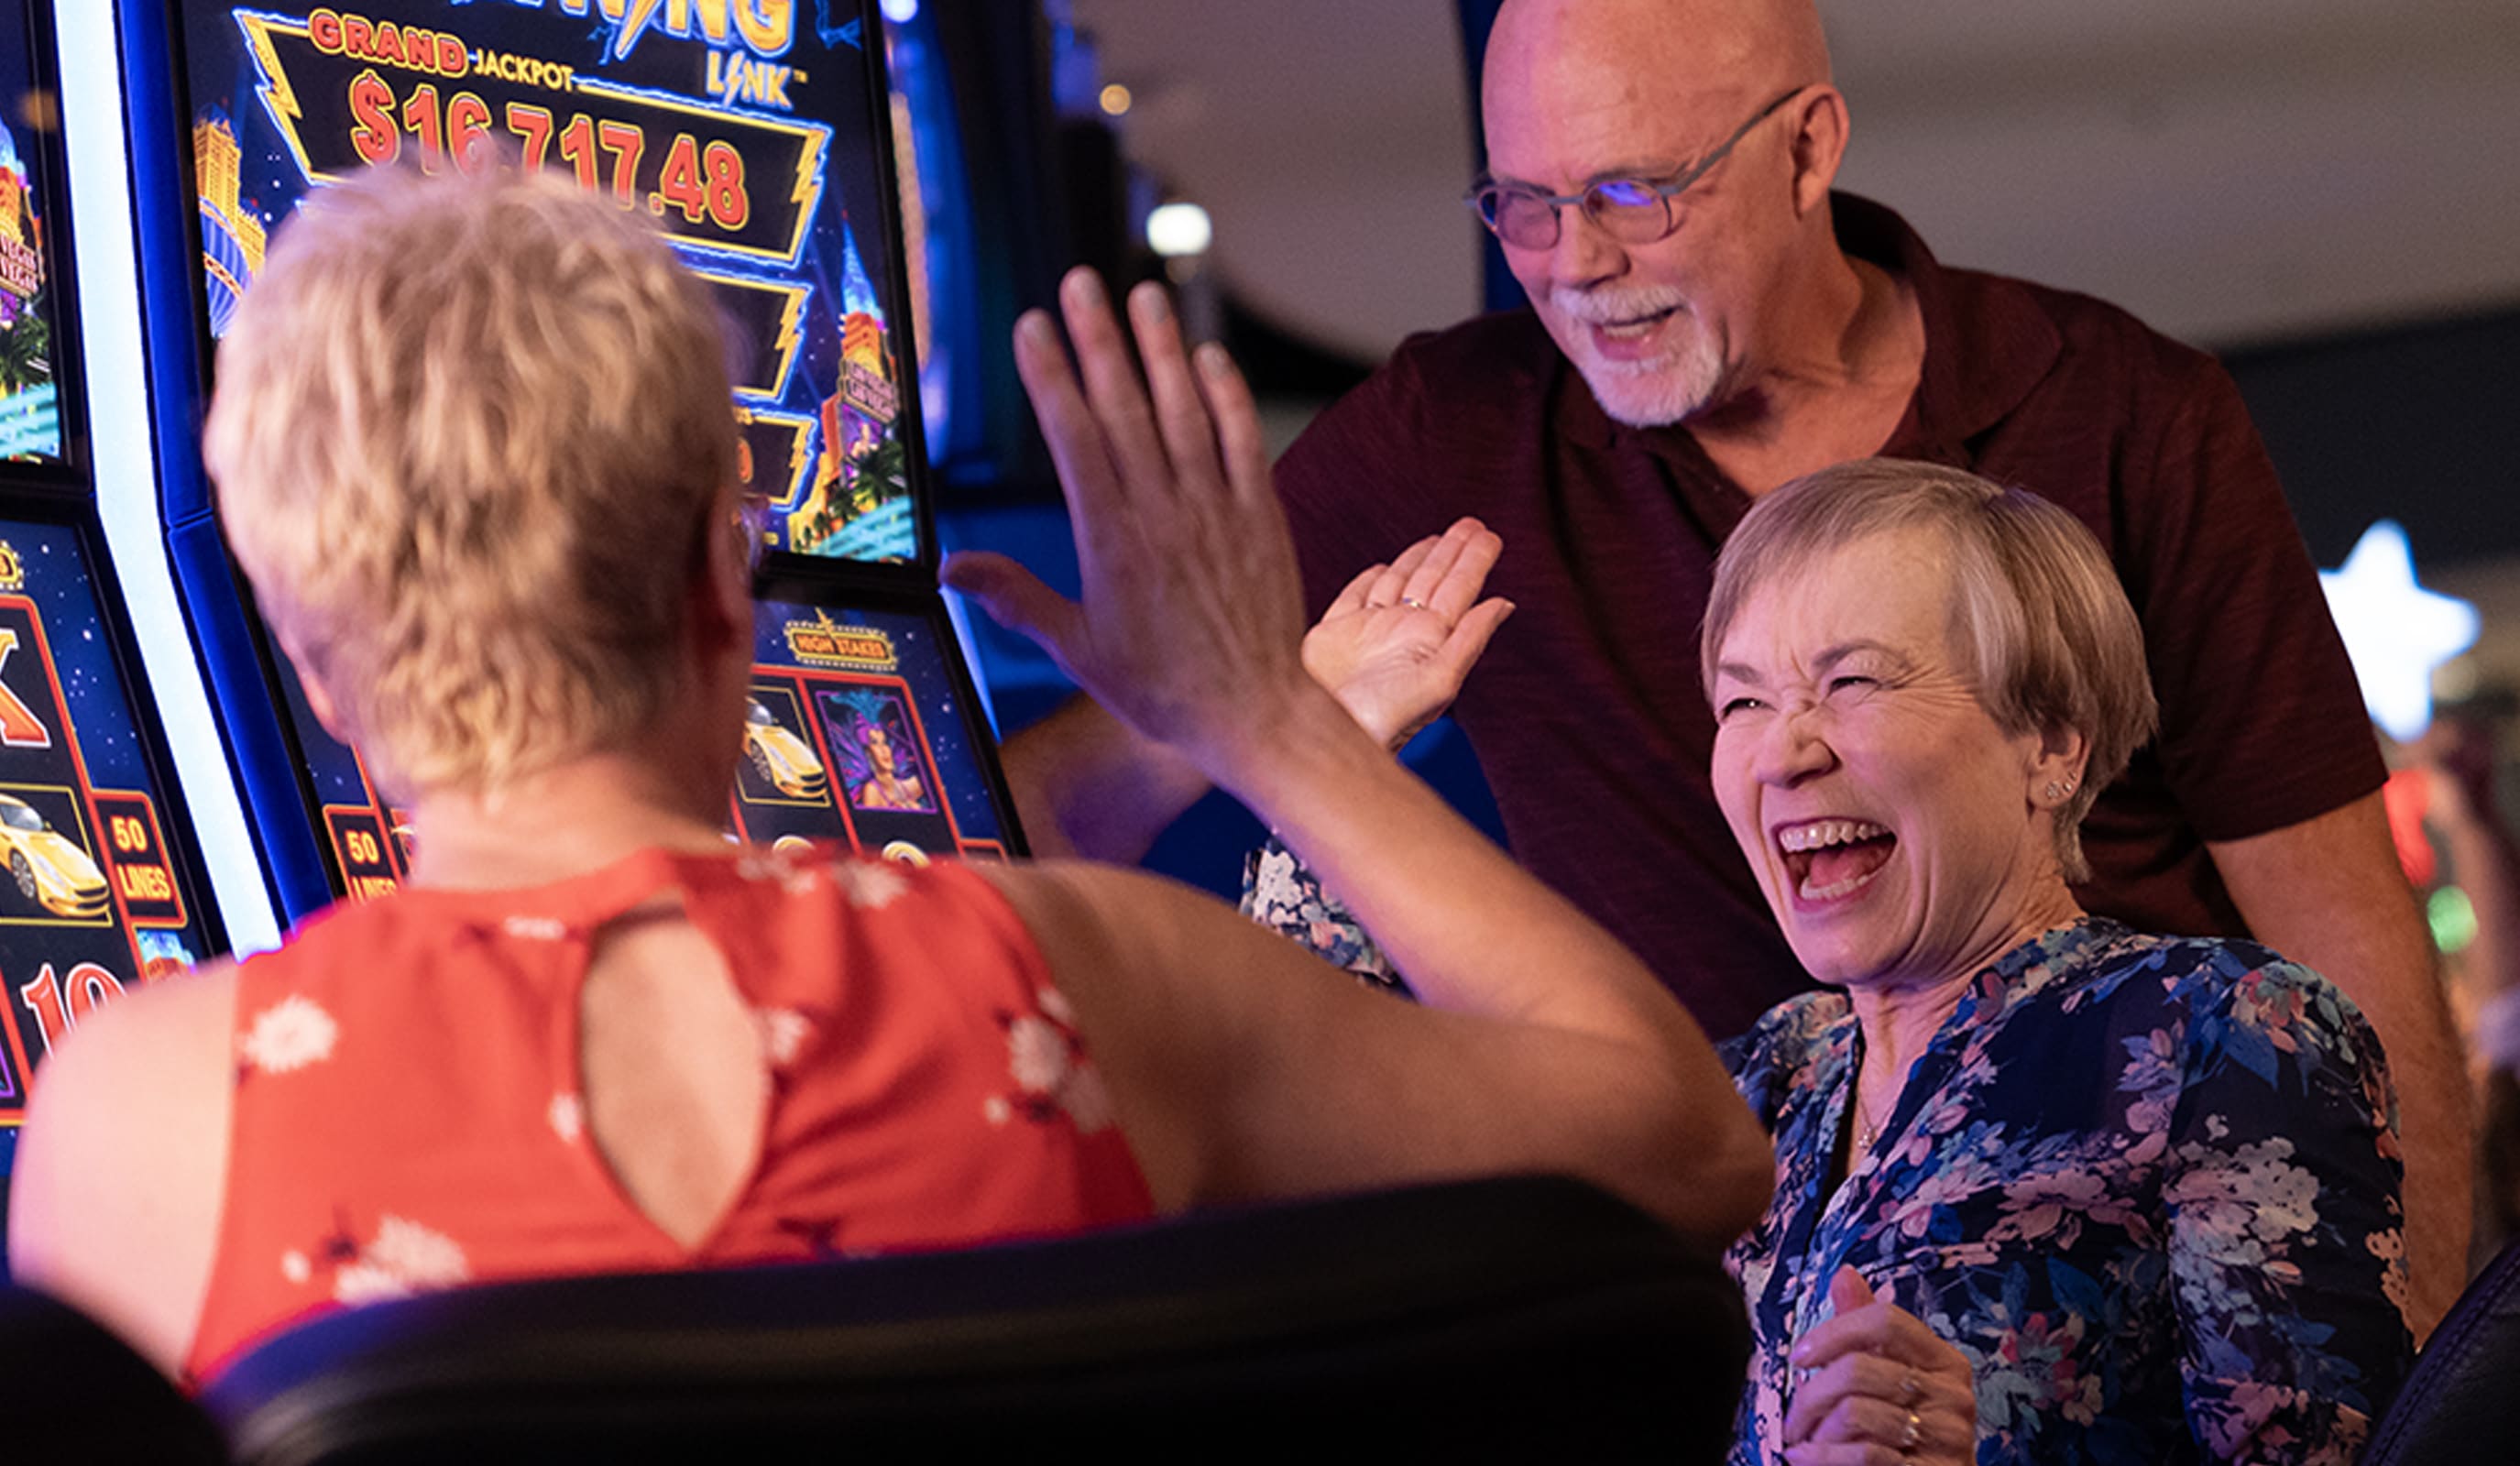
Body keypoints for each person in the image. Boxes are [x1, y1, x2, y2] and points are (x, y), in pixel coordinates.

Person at [3, 167, 1773, 1387]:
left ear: (308, 643)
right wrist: (1263, 719)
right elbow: (1689, 1145)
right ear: (724, 570)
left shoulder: (144, 1115)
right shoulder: (1066, 982)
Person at [947, 0, 2471, 1330]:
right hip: (1704, 1286)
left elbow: (2342, 936)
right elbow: (1077, 800)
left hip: (2117, 1260)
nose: (1576, 265)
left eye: (1633, 190)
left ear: (1809, 149)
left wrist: (2412, 1361)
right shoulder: (1454, 429)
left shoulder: (2130, 412)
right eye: (1522, 205)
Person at [1248, 459, 2415, 1463]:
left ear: (2049, 743)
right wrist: (1328, 755)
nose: (1783, 750)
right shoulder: (1744, 1086)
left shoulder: (2223, 1031)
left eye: (1850, 681)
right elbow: (1349, 1158)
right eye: (1742, 699)